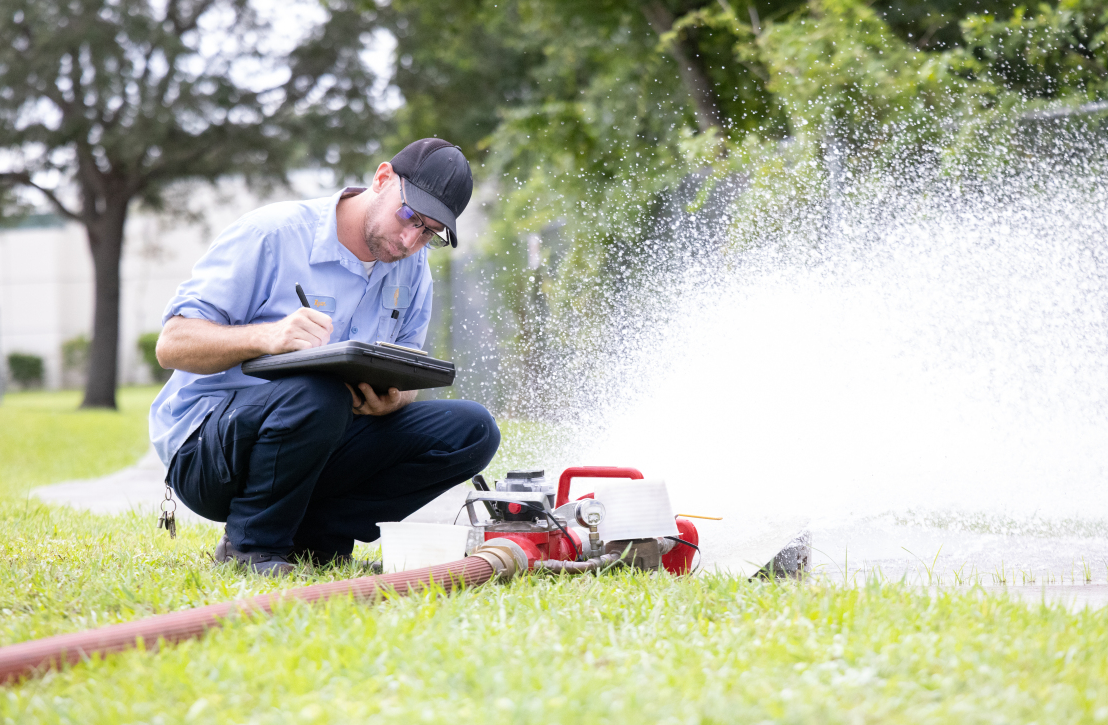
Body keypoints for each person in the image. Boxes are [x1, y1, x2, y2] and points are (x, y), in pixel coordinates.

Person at [150, 138, 500, 575]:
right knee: (318, 391)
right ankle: (251, 546)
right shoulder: (272, 234)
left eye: (429, 232)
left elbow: (407, 371)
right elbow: (172, 344)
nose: (412, 239)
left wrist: (394, 399)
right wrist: (269, 336)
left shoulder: (412, 268)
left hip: (324, 439)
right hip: (209, 452)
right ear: (382, 177)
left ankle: (317, 541)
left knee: (473, 429)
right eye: (409, 215)